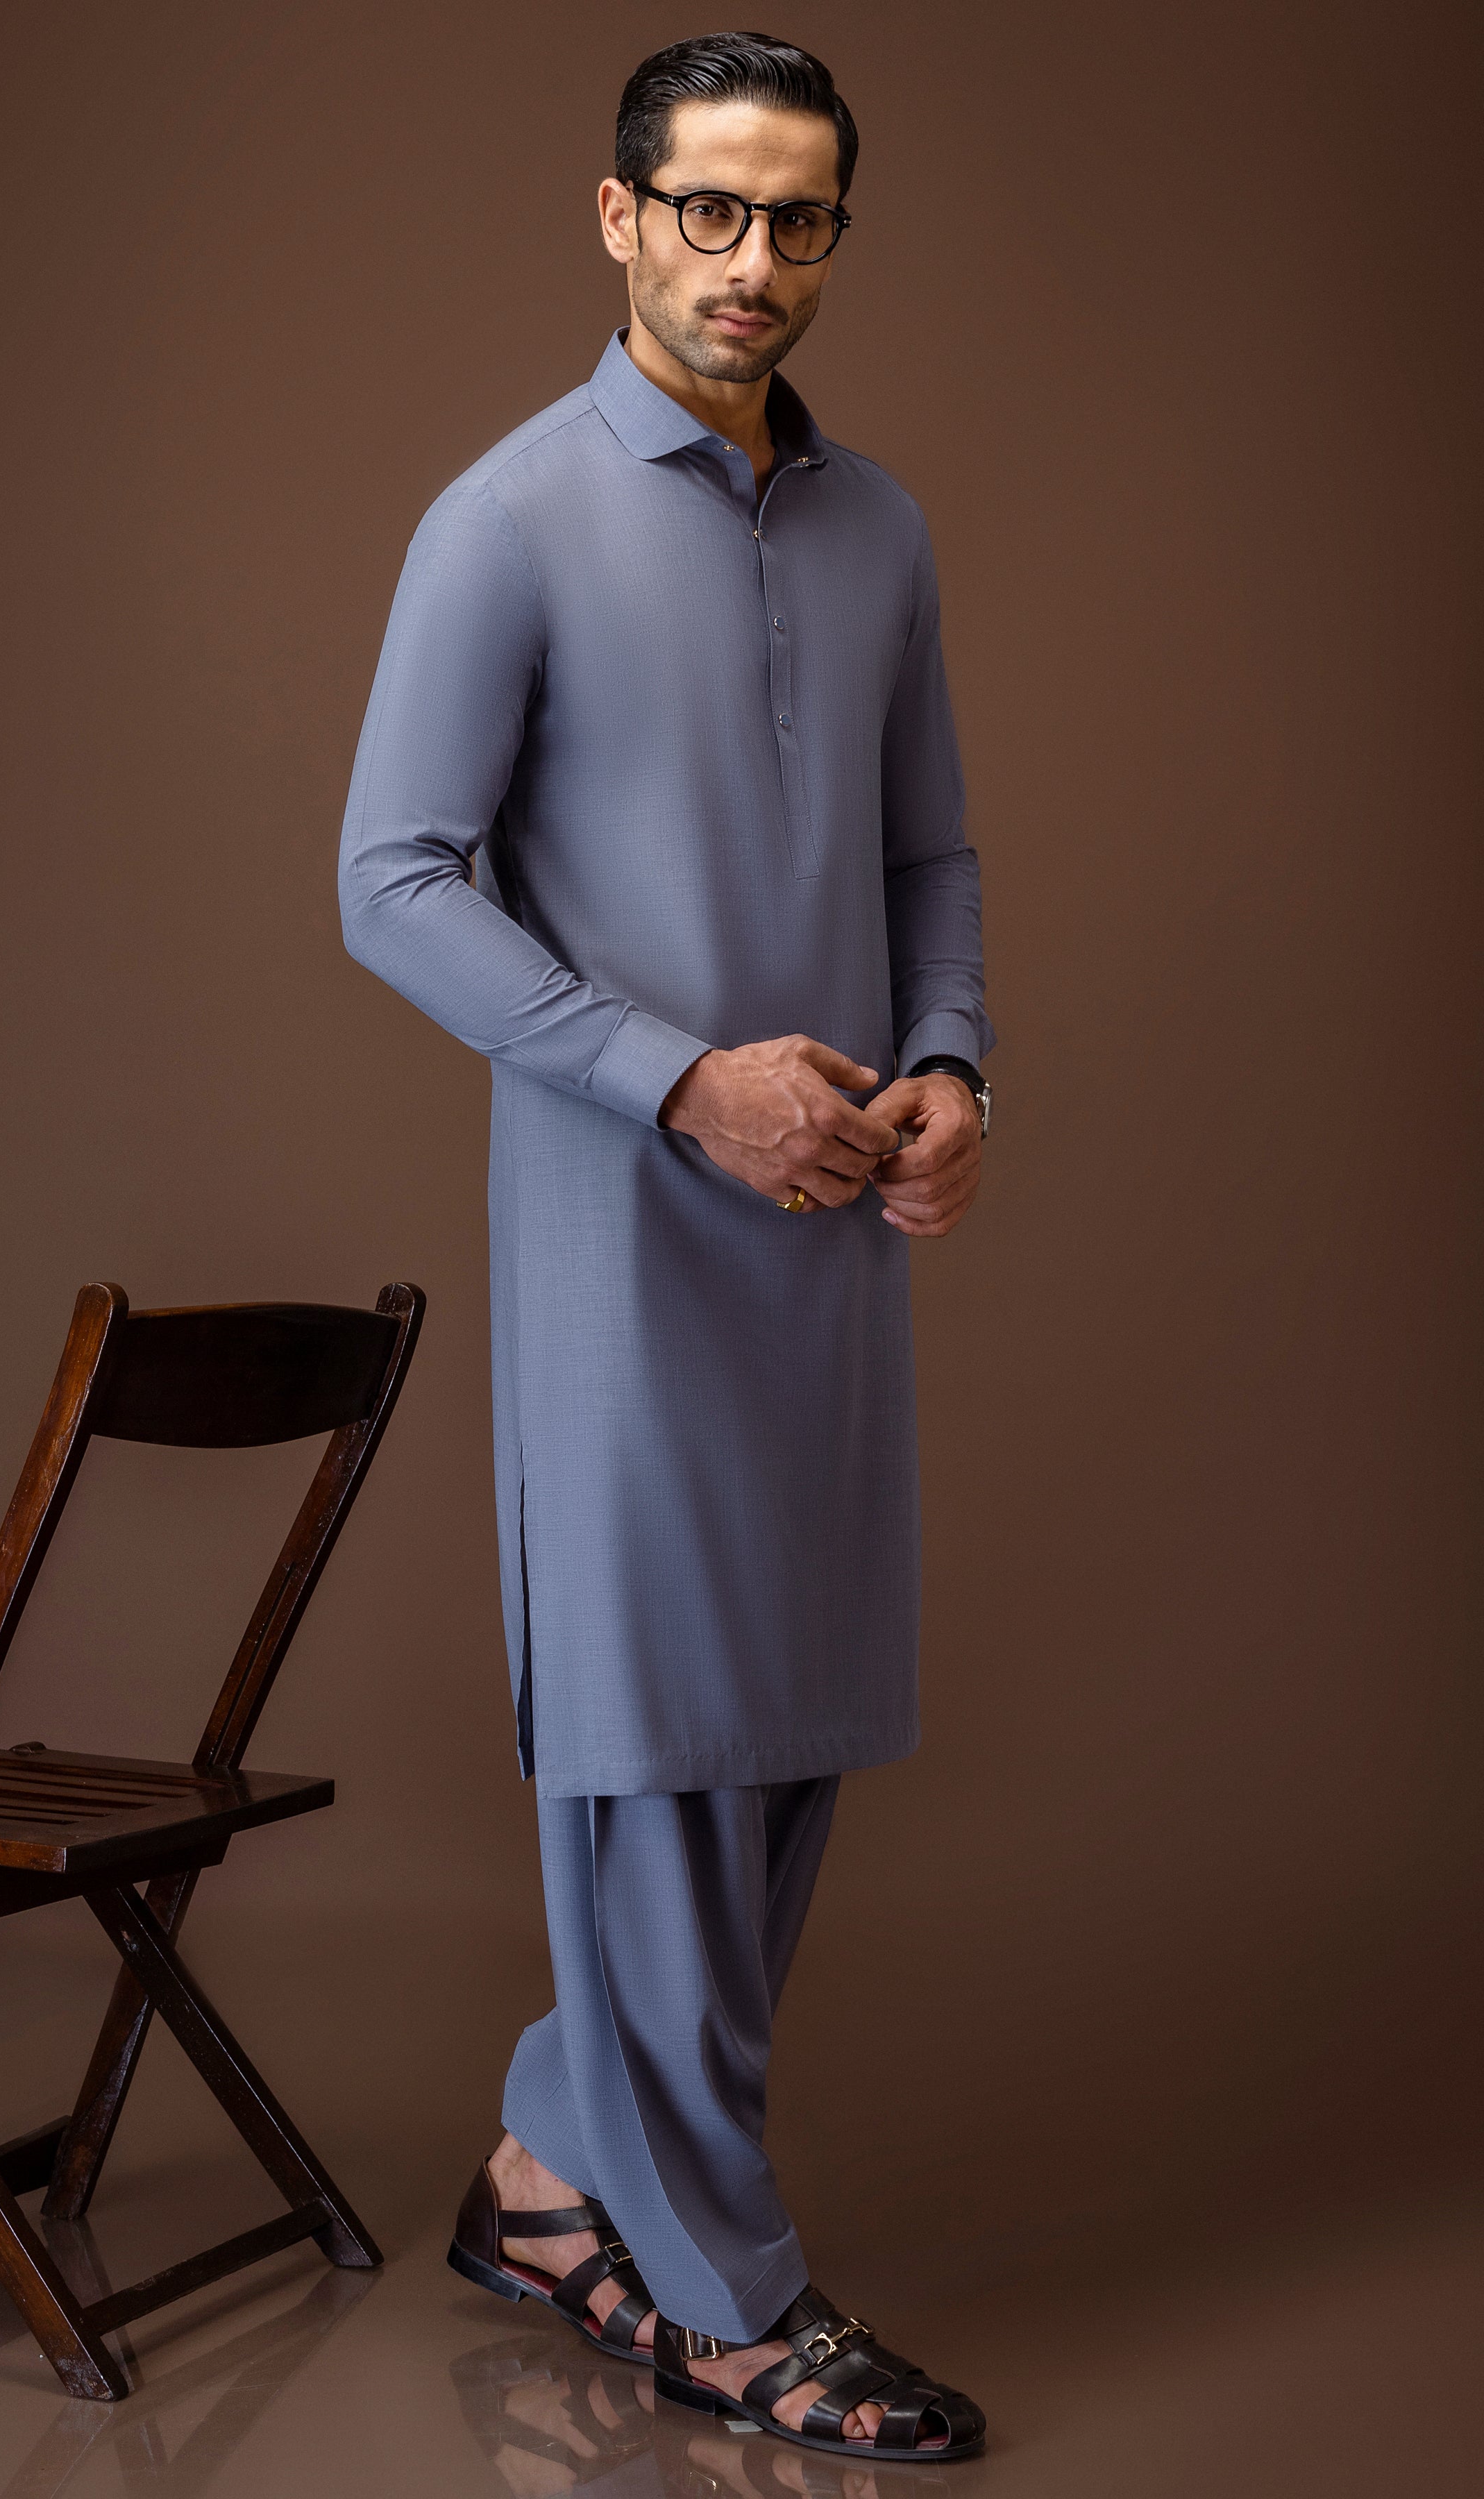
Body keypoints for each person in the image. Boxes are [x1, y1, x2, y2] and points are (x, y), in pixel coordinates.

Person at [339, 30, 992, 2464]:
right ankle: (724, 2301)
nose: (751, 262)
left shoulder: (881, 528)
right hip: (629, 1216)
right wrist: (678, 1078)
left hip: (834, 1217)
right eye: (708, 209)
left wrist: (955, 1070)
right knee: (656, 1752)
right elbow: (389, 880)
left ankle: (550, 2172)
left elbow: (930, 856)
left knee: (779, 1741)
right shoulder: (503, 517)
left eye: (796, 218)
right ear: (618, 214)